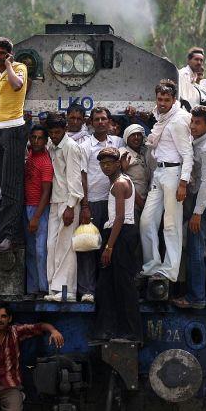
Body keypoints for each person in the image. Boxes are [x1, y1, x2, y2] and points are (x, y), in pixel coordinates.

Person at [140, 79, 193, 282]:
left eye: (166, 99)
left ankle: (170, 270)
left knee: (171, 224)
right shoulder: (161, 117)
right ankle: (152, 265)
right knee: (146, 221)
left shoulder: (178, 120)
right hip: (159, 173)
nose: (162, 103)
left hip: (174, 173)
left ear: (173, 100)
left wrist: (183, 183)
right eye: (159, 99)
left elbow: (187, 155)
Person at [173, 106, 206, 310]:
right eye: (192, 121)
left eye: (198, 123)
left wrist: (197, 212)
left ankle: (196, 297)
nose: (193, 126)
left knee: (197, 249)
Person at [93, 148, 142, 342]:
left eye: (109, 163)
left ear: (117, 164)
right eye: (103, 163)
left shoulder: (120, 184)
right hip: (121, 234)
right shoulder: (123, 180)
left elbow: (120, 217)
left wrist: (109, 247)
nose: (106, 166)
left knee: (123, 285)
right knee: (111, 284)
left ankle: (130, 333)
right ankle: (113, 331)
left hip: (120, 235)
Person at [77, 107, 124, 303]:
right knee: (89, 245)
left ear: (109, 121)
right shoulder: (85, 145)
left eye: (104, 119)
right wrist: (85, 205)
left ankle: (107, 290)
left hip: (114, 202)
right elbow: (83, 176)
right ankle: (88, 290)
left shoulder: (118, 143)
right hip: (93, 202)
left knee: (110, 246)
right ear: (91, 122)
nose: (101, 122)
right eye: (97, 119)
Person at [0, 37, 28, 253]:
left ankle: (9, 237)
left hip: (14, 130)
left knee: (13, 187)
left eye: (2, 54)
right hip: (1, 131)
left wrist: (8, 65)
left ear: (9, 55)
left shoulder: (18, 67)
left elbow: (17, 85)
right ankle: (9, 234)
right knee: (5, 186)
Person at [45, 112, 84, 302]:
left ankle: (67, 291)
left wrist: (71, 206)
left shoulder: (71, 147)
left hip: (69, 202)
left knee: (67, 247)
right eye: (51, 132)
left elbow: (76, 179)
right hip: (55, 200)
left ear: (65, 130)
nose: (54, 135)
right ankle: (54, 288)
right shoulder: (51, 146)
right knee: (52, 245)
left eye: (57, 132)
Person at [23, 125, 53, 299]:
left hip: (39, 209)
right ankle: (32, 289)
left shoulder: (46, 162)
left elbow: (46, 193)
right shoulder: (29, 156)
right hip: (26, 207)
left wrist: (36, 217)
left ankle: (43, 288)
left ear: (46, 141)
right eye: (33, 137)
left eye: (40, 138)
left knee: (41, 250)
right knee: (31, 250)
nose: (36, 141)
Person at [120, 124, 151, 219]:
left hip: (146, 203)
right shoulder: (122, 153)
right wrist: (141, 204)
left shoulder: (145, 153)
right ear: (126, 138)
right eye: (133, 135)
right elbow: (120, 181)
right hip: (131, 206)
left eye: (139, 135)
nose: (136, 138)